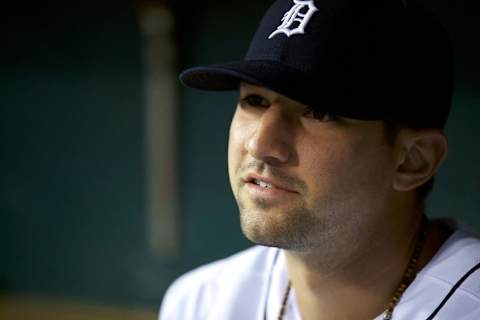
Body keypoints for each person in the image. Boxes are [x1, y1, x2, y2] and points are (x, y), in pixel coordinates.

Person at [160, 0, 480, 319]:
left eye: (319, 112)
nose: (260, 144)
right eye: (254, 101)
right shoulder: (199, 303)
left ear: (414, 161)